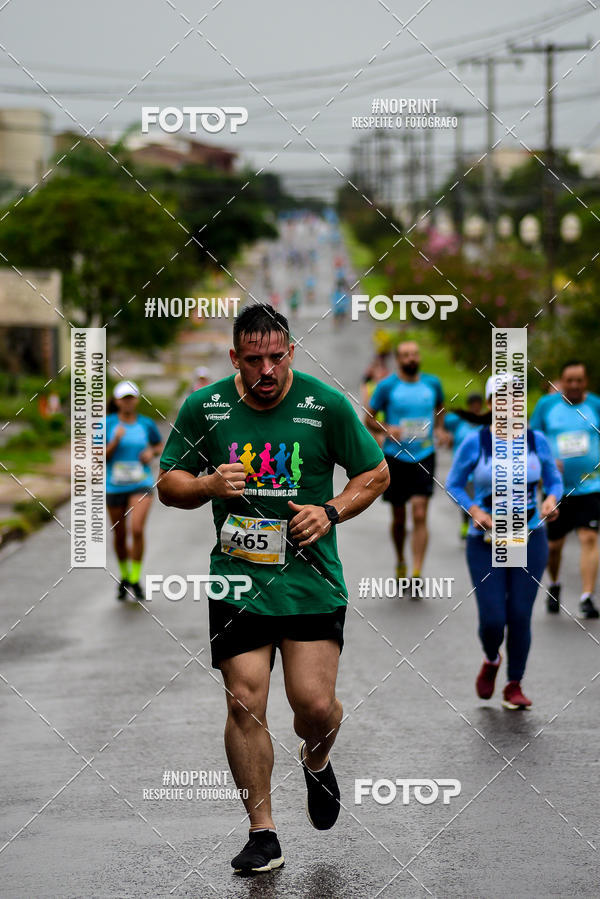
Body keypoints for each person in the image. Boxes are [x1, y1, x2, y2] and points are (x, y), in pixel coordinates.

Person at [158, 303, 388, 876]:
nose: (266, 371)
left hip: (311, 582)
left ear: (292, 353)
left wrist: (329, 511)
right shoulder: (205, 406)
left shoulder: (324, 405)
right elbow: (168, 483)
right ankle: (263, 833)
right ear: (235, 357)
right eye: (253, 359)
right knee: (245, 699)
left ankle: (318, 756)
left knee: (312, 706)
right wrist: (208, 483)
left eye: (276, 357)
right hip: (238, 580)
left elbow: (376, 473)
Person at [446, 375, 563, 710]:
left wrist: (550, 501)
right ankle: (491, 658)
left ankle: (514, 684)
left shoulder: (535, 439)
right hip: (484, 540)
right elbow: (454, 483)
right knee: (494, 618)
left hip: (529, 535)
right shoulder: (476, 441)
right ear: (489, 404)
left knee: (520, 614)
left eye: (515, 398)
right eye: (501, 398)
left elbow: (554, 481)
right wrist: (474, 510)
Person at [365, 340, 444, 590]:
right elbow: (368, 417)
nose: (411, 358)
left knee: (420, 512)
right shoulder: (387, 386)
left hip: (424, 453)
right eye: (406, 355)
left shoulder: (432, 383)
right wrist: (387, 428)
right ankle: (400, 559)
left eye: (414, 354)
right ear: (398, 360)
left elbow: (440, 407)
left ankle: (417, 572)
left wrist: (439, 429)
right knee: (399, 517)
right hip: (395, 457)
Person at [530, 361, 600, 619]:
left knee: (589, 537)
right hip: (555, 489)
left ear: (586, 382)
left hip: (591, 485)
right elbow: (531, 439)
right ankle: (555, 584)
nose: (573, 385)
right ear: (561, 381)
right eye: (568, 380)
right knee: (554, 545)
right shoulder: (546, 406)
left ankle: (587, 597)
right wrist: (544, 458)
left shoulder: (595, 405)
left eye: (578, 380)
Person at [105, 381, 163, 601]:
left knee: (136, 530)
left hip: (141, 483)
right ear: (117, 401)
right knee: (119, 535)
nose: (128, 402)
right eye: (123, 398)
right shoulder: (108, 424)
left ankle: (135, 578)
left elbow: (159, 445)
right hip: (114, 486)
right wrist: (115, 440)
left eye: (131, 398)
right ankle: (125, 575)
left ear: (137, 400)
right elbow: (100, 456)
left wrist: (151, 452)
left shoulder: (146, 424)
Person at [443, 393, 485, 539]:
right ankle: (466, 523)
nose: (475, 408)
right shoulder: (459, 422)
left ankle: (478, 525)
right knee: (465, 497)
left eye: (478, 405)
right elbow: (443, 419)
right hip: (462, 469)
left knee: (478, 498)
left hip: (479, 469)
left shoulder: (484, 423)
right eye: (472, 405)